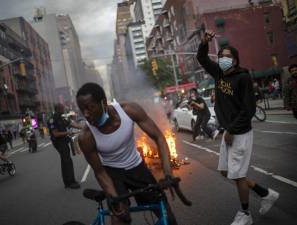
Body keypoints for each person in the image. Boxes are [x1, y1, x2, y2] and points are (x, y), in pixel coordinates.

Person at [197, 30, 279, 225]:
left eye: (227, 56)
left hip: (239, 132)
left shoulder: (243, 78)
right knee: (226, 172)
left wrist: (232, 130)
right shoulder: (218, 73)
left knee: (239, 175)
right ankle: (265, 193)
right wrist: (204, 42)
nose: (223, 59)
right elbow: (202, 58)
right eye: (221, 56)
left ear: (235, 60)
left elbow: (248, 108)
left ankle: (245, 214)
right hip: (229, 130)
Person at [76, 83, 178, 225]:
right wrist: (113, 197)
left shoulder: (129, 110)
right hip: (112, 174)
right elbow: (99, 172)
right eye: (82, 110)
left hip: (137, 167)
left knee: (167, 216)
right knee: (120, 218)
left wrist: (168, 173)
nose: (86, 114)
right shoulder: (86, 137)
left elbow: (159, 137)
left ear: (103, 103)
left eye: (90, 107)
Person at [48, 104, 83, 189]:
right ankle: (71, 182)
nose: (64, 110)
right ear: (58, 109)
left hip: (63, 141)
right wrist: (67, 133)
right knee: (67, 161)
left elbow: (71, 125)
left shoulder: (61, 118)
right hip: (59, 143)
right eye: (62, 108)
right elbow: (55, 134)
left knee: (65, 161)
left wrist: (83, 127)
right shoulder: (52, 120)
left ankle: (67, 182)